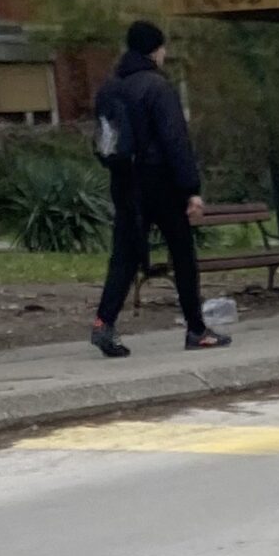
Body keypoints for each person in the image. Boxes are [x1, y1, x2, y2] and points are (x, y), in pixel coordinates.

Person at [90, 21, 230, 356]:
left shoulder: (110, 87)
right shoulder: (157, 87)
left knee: (124, 254)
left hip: (124, 180)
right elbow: (175, 140)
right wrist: (191, 190)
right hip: (160, 182)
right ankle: (196, 329)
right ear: (155, 49)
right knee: (182, 254)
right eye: (163, 48)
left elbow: (102, 138)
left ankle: (103, 322)